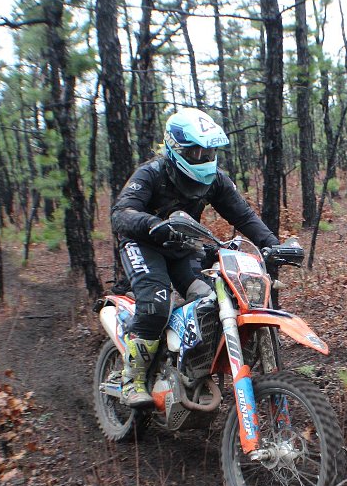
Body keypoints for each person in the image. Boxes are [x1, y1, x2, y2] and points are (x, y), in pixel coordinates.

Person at [111, 107, 278, 408]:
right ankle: (131, 379)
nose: (204, 158)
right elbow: (121, 213)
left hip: (182, 247)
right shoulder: (151, 173)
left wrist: (272, 246)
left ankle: (185, 367)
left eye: (209, 152)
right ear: (176, 149)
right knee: (156, 302)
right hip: (143, 243)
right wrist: (153, 224)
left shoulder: (215, 180)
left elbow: (243, 215)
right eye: (196, 152)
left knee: (208, 300)